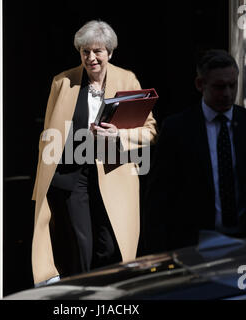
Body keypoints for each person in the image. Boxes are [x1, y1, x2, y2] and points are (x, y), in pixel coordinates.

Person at [31, 20, 158, 286]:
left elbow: (150, 131)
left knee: (111, 245)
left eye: (97, 51)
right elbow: (47, 134)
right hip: (73, 175)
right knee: (81, 246)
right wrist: (43, 179)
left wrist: (119, 135)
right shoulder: (62, 82)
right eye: (85, 52)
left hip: (114, 175)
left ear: (110, 52)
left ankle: (110, 292)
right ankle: (84, 295)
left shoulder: (127, 79)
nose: (91, 58)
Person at [144, 49, 246, 253]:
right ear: (200, 84)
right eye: (219, 87)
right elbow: (158, 197)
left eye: (232, 85)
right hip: (196, 247)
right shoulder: (177, 129)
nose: (226, 93)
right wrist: (158, 255)